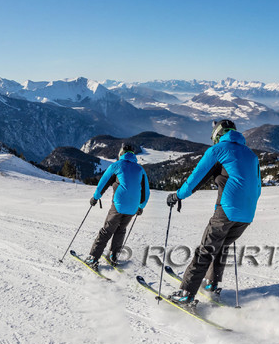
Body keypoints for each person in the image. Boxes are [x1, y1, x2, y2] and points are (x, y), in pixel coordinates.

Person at [165, 119, 261, 306]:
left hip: (227, 210)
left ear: (218, 135)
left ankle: (186, 293)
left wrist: (177, 196)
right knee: (221, 247)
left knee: (206, 250)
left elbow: (195, 179)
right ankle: (211, 283)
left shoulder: (218, 150)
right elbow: (257, 188)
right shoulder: (251, 155)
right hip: (247, 214)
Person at [84, 143, 149, 267]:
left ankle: (93, 257)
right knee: (121, 230)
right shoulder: (140, 169)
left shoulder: (116, 165)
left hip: (119, 205)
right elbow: (146, 191)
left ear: (121, 153)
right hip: (133, 208)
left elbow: (103, 183)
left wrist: (96, 197)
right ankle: (114, 256)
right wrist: (141, 206)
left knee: (107, 231)